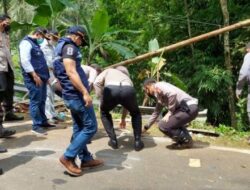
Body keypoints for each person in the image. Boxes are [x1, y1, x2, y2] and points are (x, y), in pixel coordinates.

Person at [53, 26, 103, 176]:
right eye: (81, 40)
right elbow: (71, 71)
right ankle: (68, 156)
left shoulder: (60, 46)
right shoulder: (69, 47)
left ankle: (86, 159)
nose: (81, 43)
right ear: (76, 36)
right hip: (76, 95)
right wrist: (84, 92)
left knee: (79, 127)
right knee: (91, 127)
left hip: (70, 94)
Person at [94, 66, 144, 151]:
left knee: (104, 112)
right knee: (136, 113)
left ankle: (113, 140)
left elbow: (96, 82)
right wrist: (123, 118)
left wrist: (101, 98)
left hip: (111, 89)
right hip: (128, 89)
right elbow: (126, 105)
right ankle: (138, 142)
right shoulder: (127, 78)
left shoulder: (108, 70)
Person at [19, 27, 55, 136]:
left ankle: (43, 121)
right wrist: (34, 75)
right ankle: (36, 126)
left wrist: (46, 77)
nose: (43, 40)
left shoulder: (36, 44)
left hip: (42, 77)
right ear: (38, 34)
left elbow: (41, 62)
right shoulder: (26, 43)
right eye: (43, 37)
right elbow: (25, 61)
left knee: (42, 100)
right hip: (34, 78)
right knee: (35, 101)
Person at [143, 78, 198, 149]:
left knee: (163, 125)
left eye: (145, 90)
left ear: (148, 86)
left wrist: (170, 112)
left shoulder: (158, 85)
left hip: (189, 108)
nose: (146, 92)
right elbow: (156, 113)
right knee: (171, 123)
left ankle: (186, 142)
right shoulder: (159, 96)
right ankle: (186, 140)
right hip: (188, 109)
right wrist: (145, 128)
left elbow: (172, 94)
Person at [0, 14, 23, 121]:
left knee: (9, 89)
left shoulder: (6, 34)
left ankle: (9, 113)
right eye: (6, 22)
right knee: (2, 89)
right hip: (0, 66)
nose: (8, 25)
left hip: (8, 65)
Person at [40, 30, 62, 124]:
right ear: (48, 36)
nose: (55, 40)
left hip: (52, 72)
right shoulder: (42, 47)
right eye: (54, 38)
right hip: (45, 72)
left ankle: (53, 114)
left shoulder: (53, 47)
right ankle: (48, 116)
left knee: (52, 94)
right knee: (47, 94)